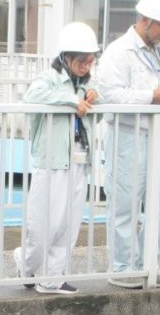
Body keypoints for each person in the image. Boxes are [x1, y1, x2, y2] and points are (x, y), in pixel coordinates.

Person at [98, 0, 160, 289]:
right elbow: (110, 95)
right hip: (128, 137)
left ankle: (146, 263)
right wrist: (152, 96)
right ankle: (123, 267)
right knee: (125, 205)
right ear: (145, 20)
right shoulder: (118, 52)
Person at [14, 22, 100, 294]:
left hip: (79, 158)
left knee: (68, 224)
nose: (86, 66)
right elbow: (32, 96)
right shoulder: (49, 78)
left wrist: (92, 96)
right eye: (81, 61)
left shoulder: (87, 83)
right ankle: (25, 262)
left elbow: (99, 104)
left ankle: (52, 278)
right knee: (43, 225)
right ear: (66, 57)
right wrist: (73, 100)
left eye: (90, 61)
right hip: (52, 160)